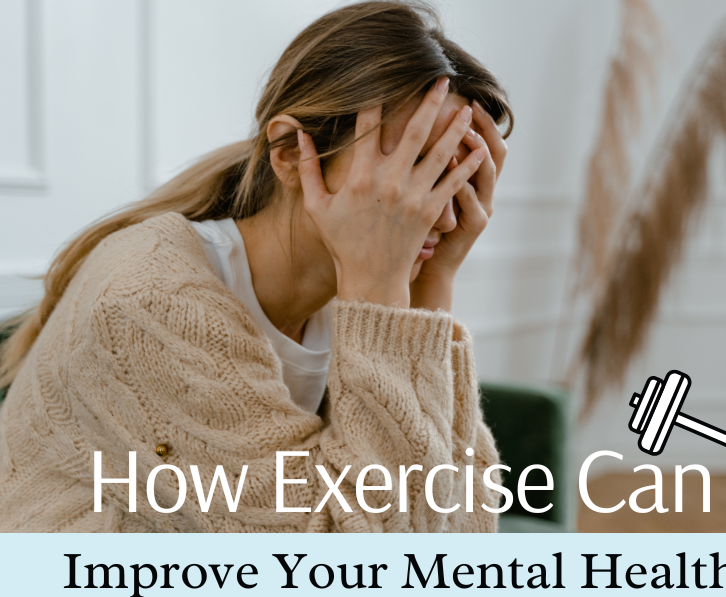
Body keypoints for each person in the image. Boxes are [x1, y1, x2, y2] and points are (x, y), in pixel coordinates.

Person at [0, 0, 513, 532]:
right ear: (291, 152)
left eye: (462, 175)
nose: (438, 209)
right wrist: (390, 296)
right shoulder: (151, 304)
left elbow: (457, 531)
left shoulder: (358, 290)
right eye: (412, 167)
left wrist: (433, 285)